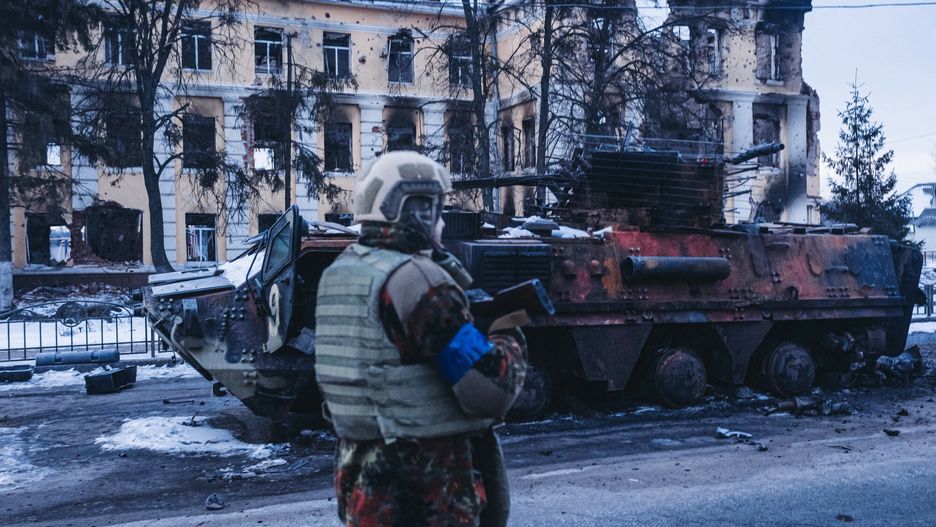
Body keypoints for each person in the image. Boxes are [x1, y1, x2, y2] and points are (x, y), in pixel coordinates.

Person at [315, 151, 528, 527]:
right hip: (426, 494)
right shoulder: (418, 281)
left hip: (363, 490)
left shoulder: (342, 272)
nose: (442, 223)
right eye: (437, 211)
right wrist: (507, 330)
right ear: (415, 211)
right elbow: (490, 389)